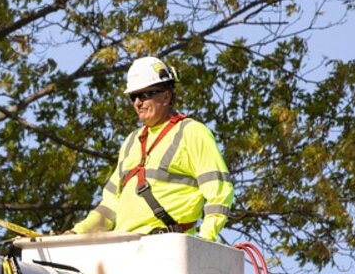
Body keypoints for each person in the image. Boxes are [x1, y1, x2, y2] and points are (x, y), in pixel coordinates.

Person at [69, 56, 233, 241]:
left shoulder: (191, 132)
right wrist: (77, 232)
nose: (137, 102)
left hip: (166, 245)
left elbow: (220, 192)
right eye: (133, 96)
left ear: (166, 96)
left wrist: (205, 239)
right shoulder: (132, 141)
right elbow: (109, 205)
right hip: (125, 246)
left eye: (144, 95)